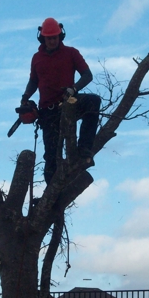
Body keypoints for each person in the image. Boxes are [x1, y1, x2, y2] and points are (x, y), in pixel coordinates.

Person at [21, 17, 101, 183]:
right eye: (48, 38)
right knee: (51, 156)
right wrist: (25, 98)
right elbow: (33, 81)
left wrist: (74, 89)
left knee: (93, 101)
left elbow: (87, 75)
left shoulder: (71, 53)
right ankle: (51, 195)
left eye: (54, 37)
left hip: (68, 103)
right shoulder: (37, 58)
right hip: (48, 111)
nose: (51, 41)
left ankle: (84, 148)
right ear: (42, 38)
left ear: (60, 36)